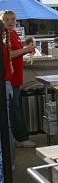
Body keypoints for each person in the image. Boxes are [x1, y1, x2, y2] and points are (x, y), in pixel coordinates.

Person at [0, 10, 37, 148]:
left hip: (16, 77)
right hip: (9, 78)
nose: (10, 22)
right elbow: (7, 54)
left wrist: (27, 49)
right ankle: (21, 138)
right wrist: (25, 50)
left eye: (13, 19)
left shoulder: (14, 34)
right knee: (14, 108)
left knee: (15, 107)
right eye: (7, 19)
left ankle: (16, 137)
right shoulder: (4, 35)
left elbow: (17, 51)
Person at [0, 19, 15, 173]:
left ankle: (8, 165)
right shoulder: (4, 45)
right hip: (7, 86)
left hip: (4, 87)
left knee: (6, 128)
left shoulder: (2, 47)